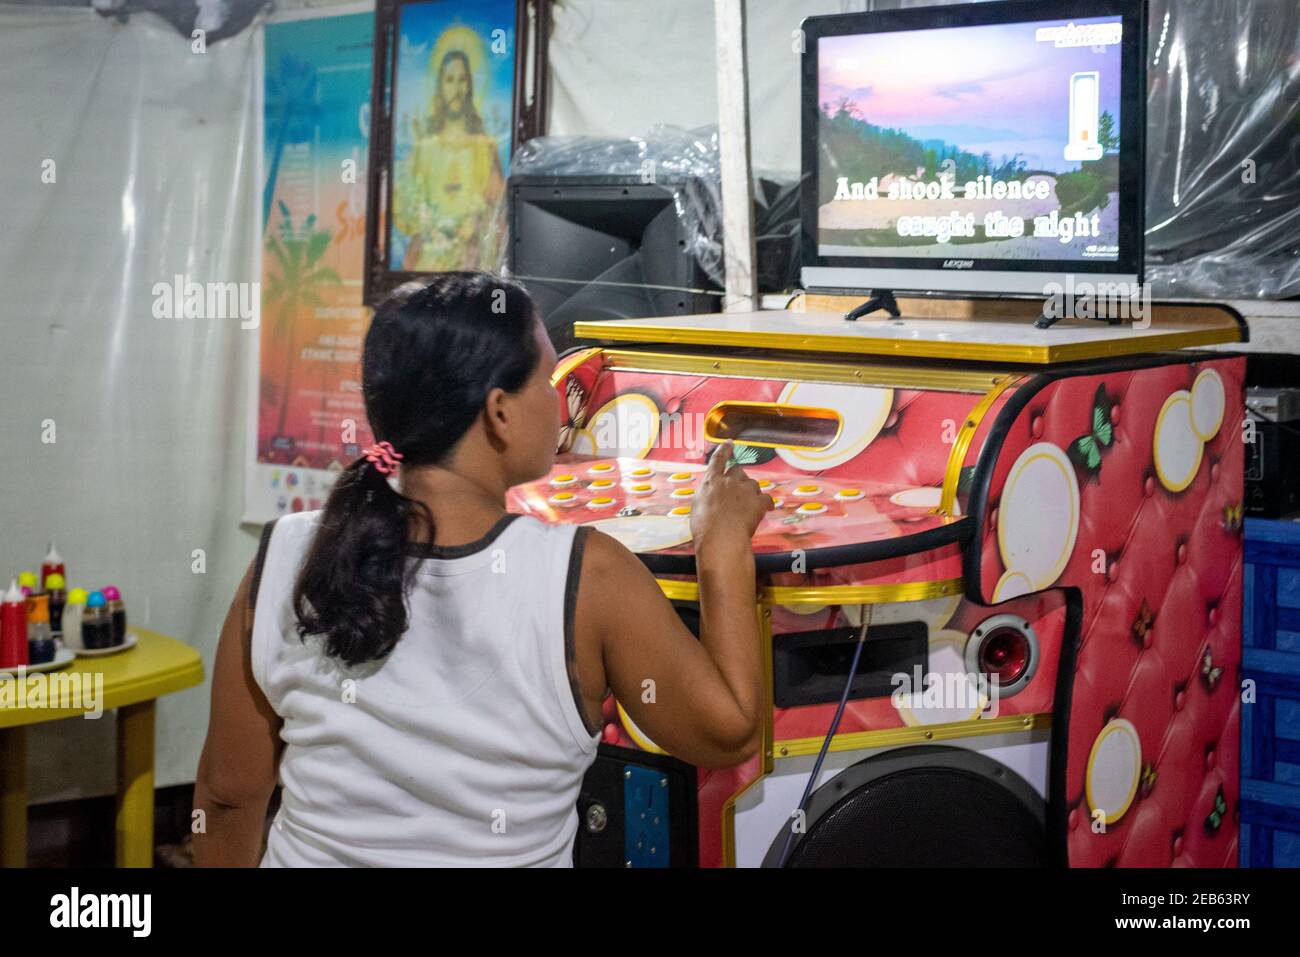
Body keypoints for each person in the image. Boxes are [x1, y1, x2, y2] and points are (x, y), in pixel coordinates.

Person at [193, 272, 772, 867]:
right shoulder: (585, 573)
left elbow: (227, 800)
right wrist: (723, 548)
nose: (558, 399)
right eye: (546, 382)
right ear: (499, 411)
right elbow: (727, 733)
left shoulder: (286, 555)